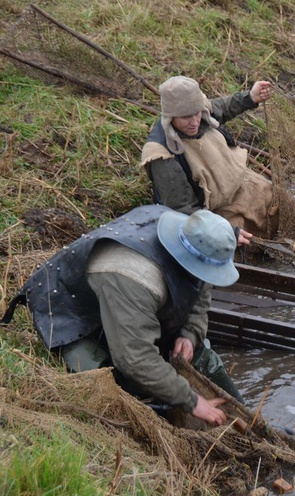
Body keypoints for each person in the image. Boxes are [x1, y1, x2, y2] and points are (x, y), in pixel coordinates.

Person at [1, 205, 244, 426]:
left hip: (129, 303)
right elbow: (134, 359)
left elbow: (202, 287)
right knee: (105, 381)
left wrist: (190, 334)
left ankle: (240, 414)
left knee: (200, 355)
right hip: (74, 313)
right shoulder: (135, 277)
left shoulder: (193, 234)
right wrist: (192, 401)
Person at [141, 76, 277, 245]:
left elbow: (222, 107)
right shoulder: (161, 155)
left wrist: (250, 97)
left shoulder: (199, 110)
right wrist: (227, 231)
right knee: (244, 247)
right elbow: (183, 212)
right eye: (185, 117)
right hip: (214, 212)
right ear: (170, 117)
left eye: (196, 114)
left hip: (245, 184)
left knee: (286, 206)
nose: (194, 122)